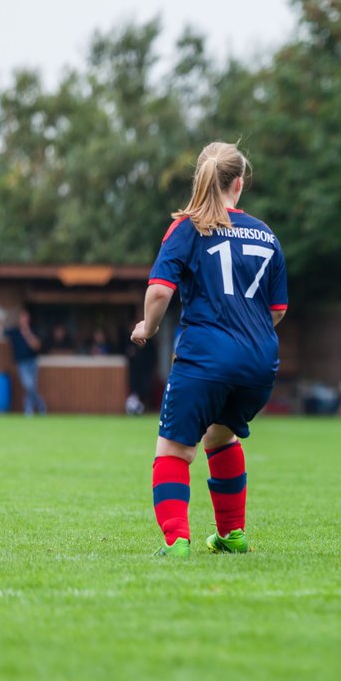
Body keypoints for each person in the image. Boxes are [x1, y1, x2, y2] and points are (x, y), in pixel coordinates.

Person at [131, 141, 288, 558]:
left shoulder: (187, 227)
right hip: (259, 363)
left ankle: (177, 540)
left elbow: (161, 291)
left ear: (201, 178)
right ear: (239, 183)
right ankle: (231, 535)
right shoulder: (266, 234)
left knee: (174, 449)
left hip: (205, 357)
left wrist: (147, 327)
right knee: (221, 436)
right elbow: (278, 309)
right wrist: (246, 335)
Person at [0, 309, 46, 416]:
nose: (23, 320)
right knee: (28, 385)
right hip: (21, 363)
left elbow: (36, 346)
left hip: (32, 362)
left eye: (25, 318)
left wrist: (27, 334)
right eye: (21, 318)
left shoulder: (33, 330)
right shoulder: (14, 331)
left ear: (28, 319)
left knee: (31, 386)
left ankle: (29, 409)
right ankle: (40, 405)